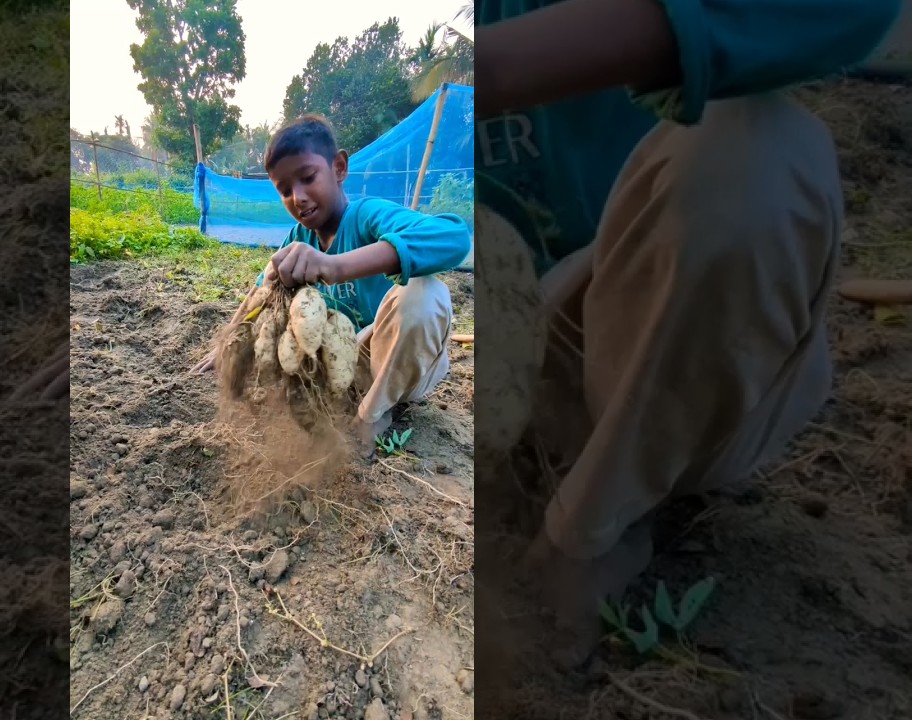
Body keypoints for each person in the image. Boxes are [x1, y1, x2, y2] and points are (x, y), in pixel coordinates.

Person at [473, 0, 903, 665]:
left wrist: (496, 67)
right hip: (503, 362)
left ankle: (591, 532)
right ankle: (513, 470)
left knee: (757, 148)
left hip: (648, 350)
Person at [191, 114, 473, 448]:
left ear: (339, 168)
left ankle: (373, 416)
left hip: (398, 364)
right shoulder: (298, 240)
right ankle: (344, 399)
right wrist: (228, 343)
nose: (298, 197)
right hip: (344, 370)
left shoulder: (367, 217)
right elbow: (261, 290)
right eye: (284, 191)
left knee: (425, 294)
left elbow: (454, 236)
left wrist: (335, 266)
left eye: (307, 177)